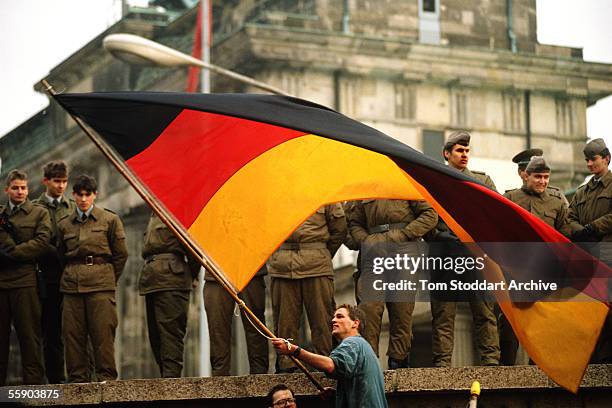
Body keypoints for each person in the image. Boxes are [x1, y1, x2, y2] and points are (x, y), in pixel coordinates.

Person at [430, 130, 500, 367]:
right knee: (443, 313)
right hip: (445, 254)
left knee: (484, 309)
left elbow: (495, 215)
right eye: (459, 151)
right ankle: (442, 363)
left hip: (476, 254)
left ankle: (491, 360)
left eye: (467, 150)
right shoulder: (433, 181)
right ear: (446, 154)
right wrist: (439, 237)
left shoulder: (482, 181)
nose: (464, 155)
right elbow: (426, 217)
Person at [349, 197, 437, 369]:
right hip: (373, 252)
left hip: (405, 250)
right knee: (369, 307)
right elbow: (354, 223)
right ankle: (368, 359)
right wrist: (367, 240)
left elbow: (430, 214)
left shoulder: (405, 183)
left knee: (402, 308)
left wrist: (405, 234)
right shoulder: (366, 188)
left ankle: (399, 357)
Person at [501, 156, 572, 364]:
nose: (542, 181)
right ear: (526, 176)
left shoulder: (557, 202)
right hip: (516, 270)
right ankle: (506, 369)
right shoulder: (511, 198)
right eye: (538, 177)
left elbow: (564, 238)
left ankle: (538, 366)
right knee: (510, 321)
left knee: (541, 321)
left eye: (546, 177)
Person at [58, 174, 128, 382]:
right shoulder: (65, 225)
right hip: (72, 286)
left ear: (95, 195)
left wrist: (107, 278)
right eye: (79, 195)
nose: (83, 199)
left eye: (87, 194)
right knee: (72, 336)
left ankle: (106, 379)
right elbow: (61, 254)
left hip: (101, 285)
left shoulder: (110, 220)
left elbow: (121, 254)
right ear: (73, 195)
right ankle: (78, 381)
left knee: (103, 335)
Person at [268, 204, 347, 373]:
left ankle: (326, 363)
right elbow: (264, 228)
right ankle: (287, 365)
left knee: (322, 321)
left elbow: (339, 229)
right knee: (285, 323)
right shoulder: (275, 191)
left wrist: (320, 252)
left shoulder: (324, 189)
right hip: (282, 266)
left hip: (316, 265)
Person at [272, 304, 388, 408]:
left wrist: (293, 350)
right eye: (333, 317)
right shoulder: (362, 346)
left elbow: (331, 365)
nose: (333, 320)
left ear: (355, 323)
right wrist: (337, 394)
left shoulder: (352, 343)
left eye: (340, 316)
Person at [0, 169, 51, 385]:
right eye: (16, 188)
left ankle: (34, 392)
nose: (20, 192)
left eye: (23, 188)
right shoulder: (1, 215)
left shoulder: (39, 213)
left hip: (26, 283)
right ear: (7, 190)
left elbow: (42, 242)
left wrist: (12, 254)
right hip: (1, 284)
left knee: (30, 339)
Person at [567, 138, 612, 363]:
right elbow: (569, 218)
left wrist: (593, 228)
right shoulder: (582, 192)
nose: (589, 164)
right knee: (590, 310)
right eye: (586, 160)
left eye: (593, 159)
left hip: (609, 257)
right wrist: (580, 232)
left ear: (607, 158)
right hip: (588, 258)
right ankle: (594, 358)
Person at [140, 212, 200, 378]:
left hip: (173, 279)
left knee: (171, 333)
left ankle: (171, 382)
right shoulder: (153, 215)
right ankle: (166, 379)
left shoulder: (176, 211)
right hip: (151, 280)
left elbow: (194, 249)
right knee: (155, 336)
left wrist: (192, 275)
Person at [31, 160, 76, 383]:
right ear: (46, 181)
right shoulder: (34, 208)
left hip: (70, 275)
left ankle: (79, 378)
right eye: (57, 181)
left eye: (64, 182)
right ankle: (56, 380)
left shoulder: (73, 206)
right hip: (46, 277)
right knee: (50, 332)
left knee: (75, 331)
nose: (61, 186)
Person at [204, 264, 269, 376]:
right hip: (215, 271)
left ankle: (260, 375)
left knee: (255, 327)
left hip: (250, 269)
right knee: (217, 328)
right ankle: (220, 378)